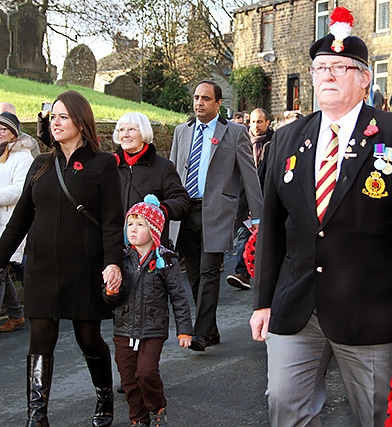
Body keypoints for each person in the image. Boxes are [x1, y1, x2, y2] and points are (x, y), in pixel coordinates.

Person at [250, 7, 392, 426]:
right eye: (321, 68)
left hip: (371, 307)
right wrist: (262, 300)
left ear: (364, 78)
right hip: (298, 305)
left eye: (341, 67)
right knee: (283, 402)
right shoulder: (286, 138)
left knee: (378, 411)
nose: (329, 76)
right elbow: (272, 229)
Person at [0, 90, 123, 426]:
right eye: (53, 116)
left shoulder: (104, 164)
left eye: (63, 116)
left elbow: (113, 221)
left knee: (88, 337)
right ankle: (37, 416)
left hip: (84, 268)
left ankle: (104, 396)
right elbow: (19, 221)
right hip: (41, 268)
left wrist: (112, 262)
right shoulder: (41, 164)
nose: (55, 122)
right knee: (41, 337)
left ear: (81, 122)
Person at [169, 80, 263, 352]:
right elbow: (174, 173)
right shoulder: (181, 132)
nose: (199, 103)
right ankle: (210, 330)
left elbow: (249, 175)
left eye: (206, 98)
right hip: (186, 212)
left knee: (210, 272)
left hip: (218, 213)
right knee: (195, 275)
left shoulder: (234, 133)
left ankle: (200, 334)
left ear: (218, 103)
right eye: (197, 97)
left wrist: (258, 217)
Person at [104, 195, 192, 427]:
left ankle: (157, 405)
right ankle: (138, 418)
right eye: (130, 224)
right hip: (124, 328)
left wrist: (184, 330)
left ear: (154, 229)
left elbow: (179, 297)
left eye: (140, 224)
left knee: (146, 373)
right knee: (128, 379)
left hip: (153, 328)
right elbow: (109, 297)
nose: (133, 229)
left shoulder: (165, 260)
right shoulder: (121, 260)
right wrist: (110, 292)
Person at [112, 112, 190, 248]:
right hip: (114, 246)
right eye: (121, 130)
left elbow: (182, 201)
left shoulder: (163, 167)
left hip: (150, 250)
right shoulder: (110, 166)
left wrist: (160, 209)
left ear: (144, 132)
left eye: (131, 129)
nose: (125, 134)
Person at [226, 108, 273, 291]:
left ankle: (266, 274)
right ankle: (242, 274)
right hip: (246, 200)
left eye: (259, 122)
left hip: (267, 198)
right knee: (245, 236)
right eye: (252, 122)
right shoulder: (242, 141)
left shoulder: (275, 143)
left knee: (267, 238)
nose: (255, 126)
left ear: (267, 123)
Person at [0, 112, 34, 333]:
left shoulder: (23, 157)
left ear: (13, 133)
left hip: (10, 223)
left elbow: (21, 190)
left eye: (3, 129)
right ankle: (16, 314)